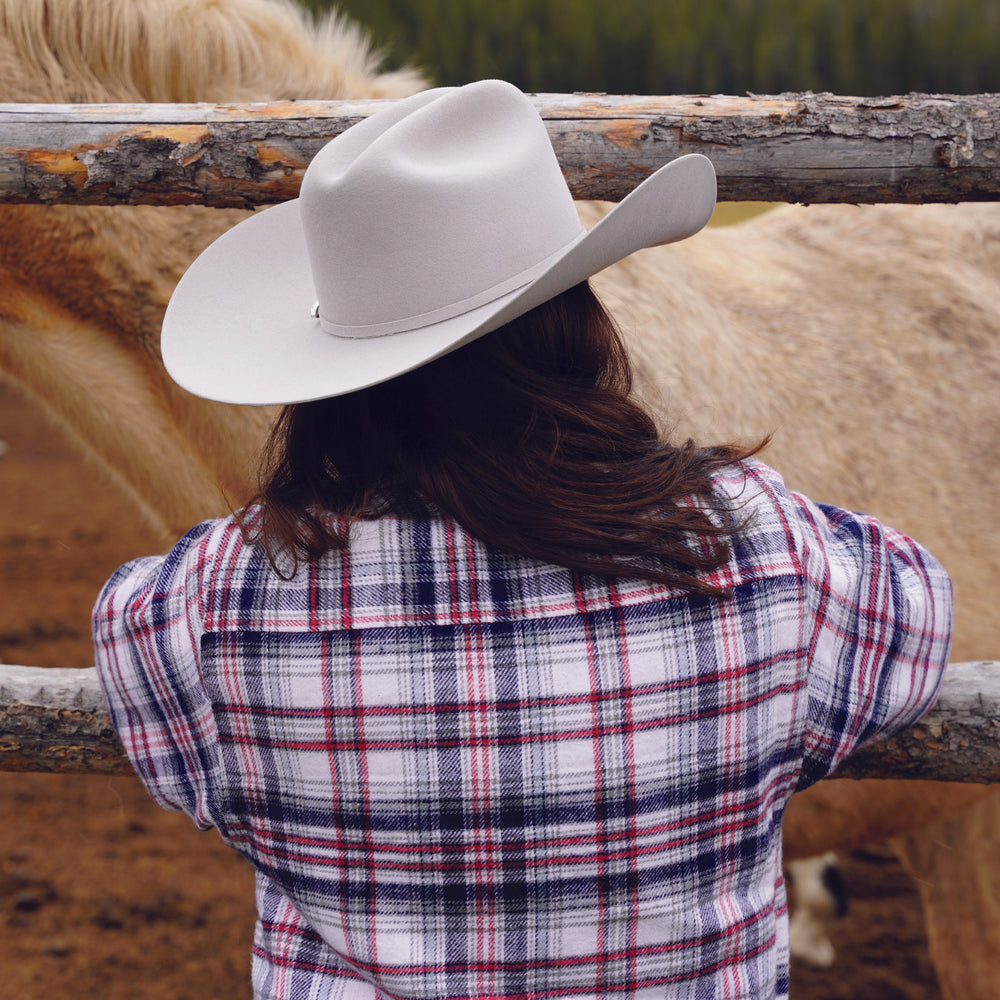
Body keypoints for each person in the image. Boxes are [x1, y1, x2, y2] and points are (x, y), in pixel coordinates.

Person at [93, 80, 952, 1000]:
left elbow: (133, 647)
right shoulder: (760, 552)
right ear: (577, 320)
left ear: (332, 368)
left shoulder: (209, 609)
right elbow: (917, 600)